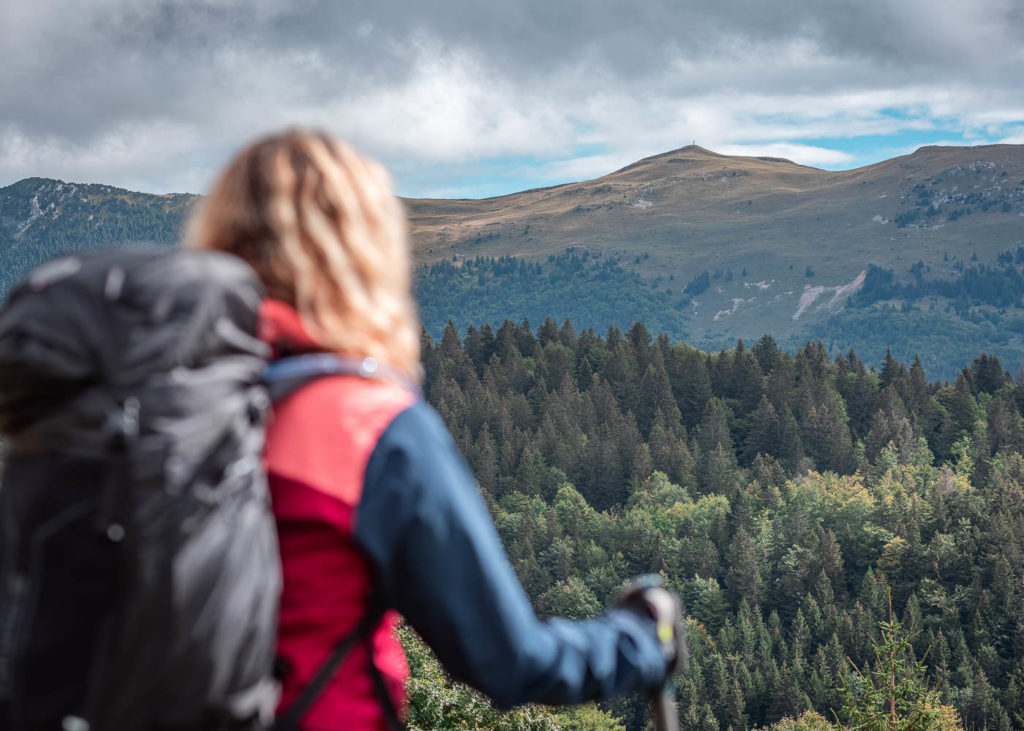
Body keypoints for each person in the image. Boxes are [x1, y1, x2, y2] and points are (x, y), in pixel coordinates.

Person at [186, 129, 686, 730]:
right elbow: (508, 660)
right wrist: (638, 640)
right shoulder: (366, 426)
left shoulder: (157, 407)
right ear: (365, 256)